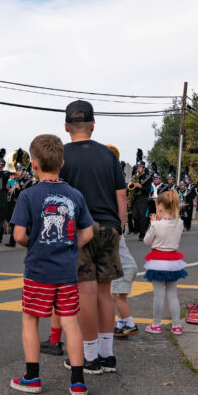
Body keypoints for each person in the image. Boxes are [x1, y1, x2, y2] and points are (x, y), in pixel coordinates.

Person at [9, 133, 94, 395]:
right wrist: (69, 246)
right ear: (62, 163)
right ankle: (78, 382)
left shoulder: (28, 195)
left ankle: (32, 377)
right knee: (70, 322)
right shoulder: (75, 195)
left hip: (38, 272)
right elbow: (88, 233)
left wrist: (34, 245)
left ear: (33, 164)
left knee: (30, 319)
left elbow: (19, 235)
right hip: (66, 273)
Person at [59, 100, 126, 374]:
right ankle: (107, 355)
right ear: (93, 125)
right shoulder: (109, 155)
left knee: (84, 292)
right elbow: (121, 194)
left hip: (78, 229)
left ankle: (89, 356)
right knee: (104, 292)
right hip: (109, 226)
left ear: (66, 127)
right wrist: (120, 226)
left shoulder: (61, 155)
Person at [142, 189, 188, 335]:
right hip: (173, 262)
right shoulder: (179, 223)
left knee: (158, 295)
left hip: (157, 262)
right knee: (173, 294)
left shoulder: (156, 225)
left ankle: (156, 324)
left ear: (160, 207)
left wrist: (153, 224)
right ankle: (177, 325)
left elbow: (147, 241)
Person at [111, 236, 140, 339]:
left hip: (122, 267)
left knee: (116, 297)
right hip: (128, 266)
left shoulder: (110, 232)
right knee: (121, 298)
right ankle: (121, 326)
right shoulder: (116, 229)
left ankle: (130, 324)